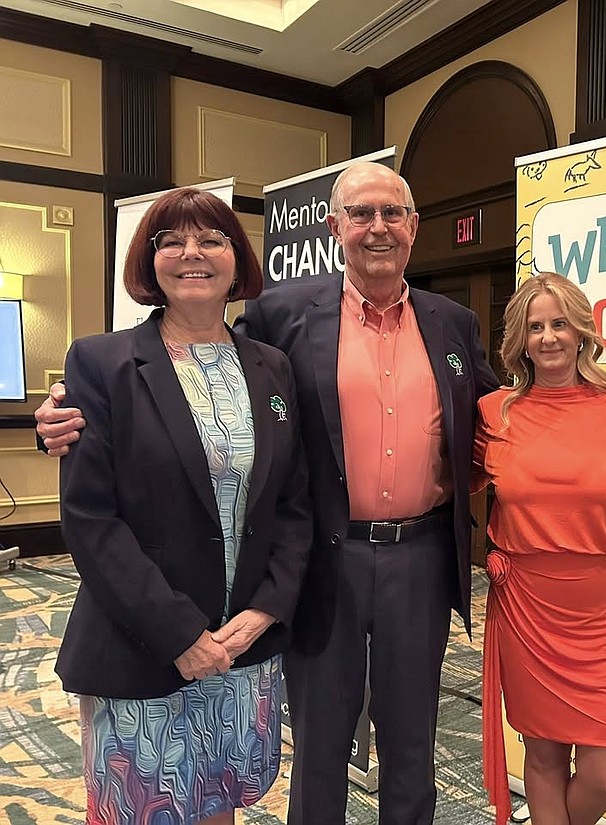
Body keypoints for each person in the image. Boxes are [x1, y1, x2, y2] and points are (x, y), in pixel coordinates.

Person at [36, 161, 500, 825]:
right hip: (325, 560)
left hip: (419, 554)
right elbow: (171, 389)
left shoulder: (452, 321)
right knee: (319, 739)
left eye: (391, 214)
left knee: (412, 738)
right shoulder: (283, 317)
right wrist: (58, 412)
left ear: (414, 226)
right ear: (335, 227)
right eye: (361, 214)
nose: (377, 227)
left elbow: (495, 411)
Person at [55, 187, 313, 825]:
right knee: (148, 809)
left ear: (236, 260)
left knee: (219, 803)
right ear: (150, 262)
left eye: (212, 240)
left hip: (241, 645)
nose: (191, 254)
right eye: (172, 241)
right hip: (146, 643)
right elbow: (91, 520)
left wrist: (265, 610)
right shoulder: (102, 361)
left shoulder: (272, 366)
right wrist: (180, 636)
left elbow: (294, 503)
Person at [475, 273, 606, 825]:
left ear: (583, 331)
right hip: (527, 606)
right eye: (535, 326)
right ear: (520, 339)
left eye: (560, 323)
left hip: (604, 611)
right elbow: (448, 484)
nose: (549, 338)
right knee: (542, 753)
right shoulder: (496, 412)